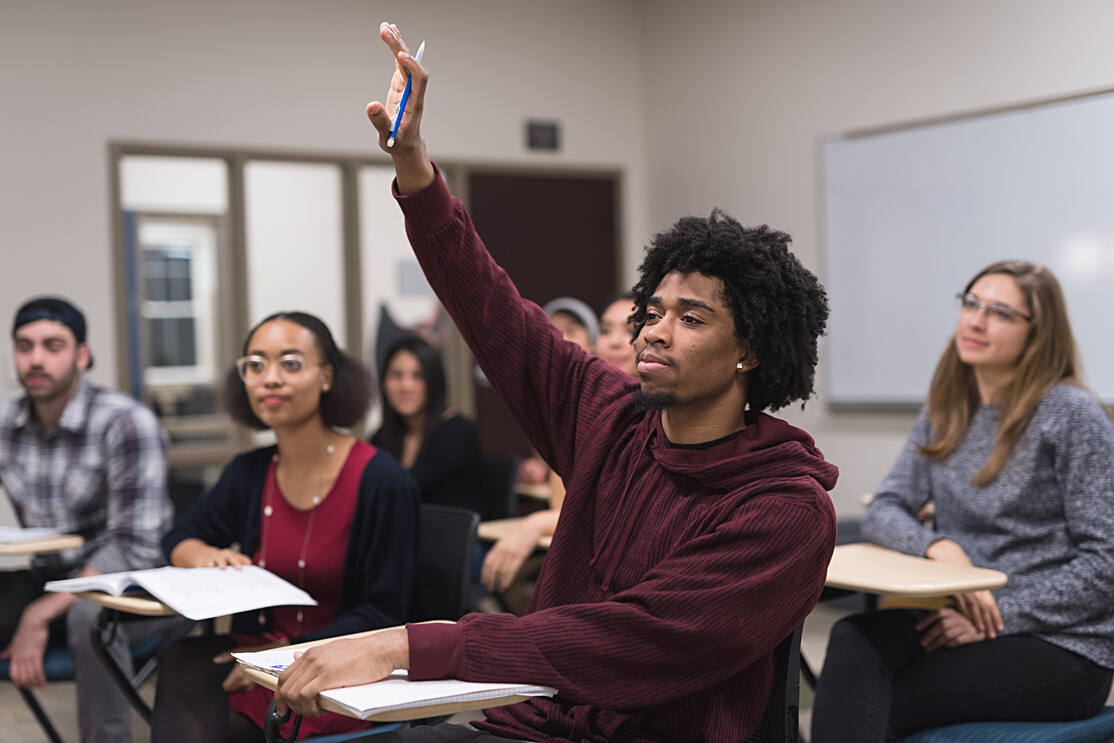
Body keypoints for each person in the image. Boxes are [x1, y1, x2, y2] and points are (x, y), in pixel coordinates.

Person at [272, 23, 838, 743]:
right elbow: (495, 310)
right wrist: (414, 168)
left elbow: (627, 637)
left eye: (690, 317)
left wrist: (406, 645)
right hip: (536, 725)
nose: (655, 330)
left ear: (749, 351)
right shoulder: (612, 417)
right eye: (653, 310)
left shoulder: (784, 510)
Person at [811, 261, 1114, 742]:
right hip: (957, 618)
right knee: (853, 638)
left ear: (1038, 333)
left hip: (1061, 645)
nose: (974, 321)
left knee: (875, 701)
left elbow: (1106, 564)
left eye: (999, 313)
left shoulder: (1071, 414)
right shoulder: (949, 405)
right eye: (970, 304)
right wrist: (940, 547)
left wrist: (1000, 612)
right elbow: (884, 509)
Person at [151, 311, 419, 743]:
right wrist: (204, 554)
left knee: (224, 726)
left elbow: (384, 613)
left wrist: (284, 656)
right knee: (181, 658)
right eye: (255, 365)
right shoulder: (249, 471)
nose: (269, 379)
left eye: (290, 364)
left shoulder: (383, 481)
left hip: (343, 667)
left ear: (328, 377)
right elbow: (177, 539)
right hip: (261, 651)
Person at [0, 295, 173, 743]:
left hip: (137, 584)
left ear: (82, 355)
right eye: (24, 346)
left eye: (52, 346)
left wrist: (39, 615)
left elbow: (136, 546)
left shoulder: (126, 422)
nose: (36, 359)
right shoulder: (7, 423)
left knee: (89, 617)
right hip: (51, 576)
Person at [481, 295, 638, 595]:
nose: (615, 342)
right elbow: (566, 507)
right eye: (606, 331)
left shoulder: (660, 419)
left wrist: (533, 525)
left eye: (630, 329)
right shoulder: (584, 415)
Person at [371, 334, 485, 515]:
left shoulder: (457, 432)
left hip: (453, 539)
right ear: (383, 383)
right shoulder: (382, 436)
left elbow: (404, 490)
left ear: (434, 382)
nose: (406, 386)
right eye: (396, 375)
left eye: (418, 376)